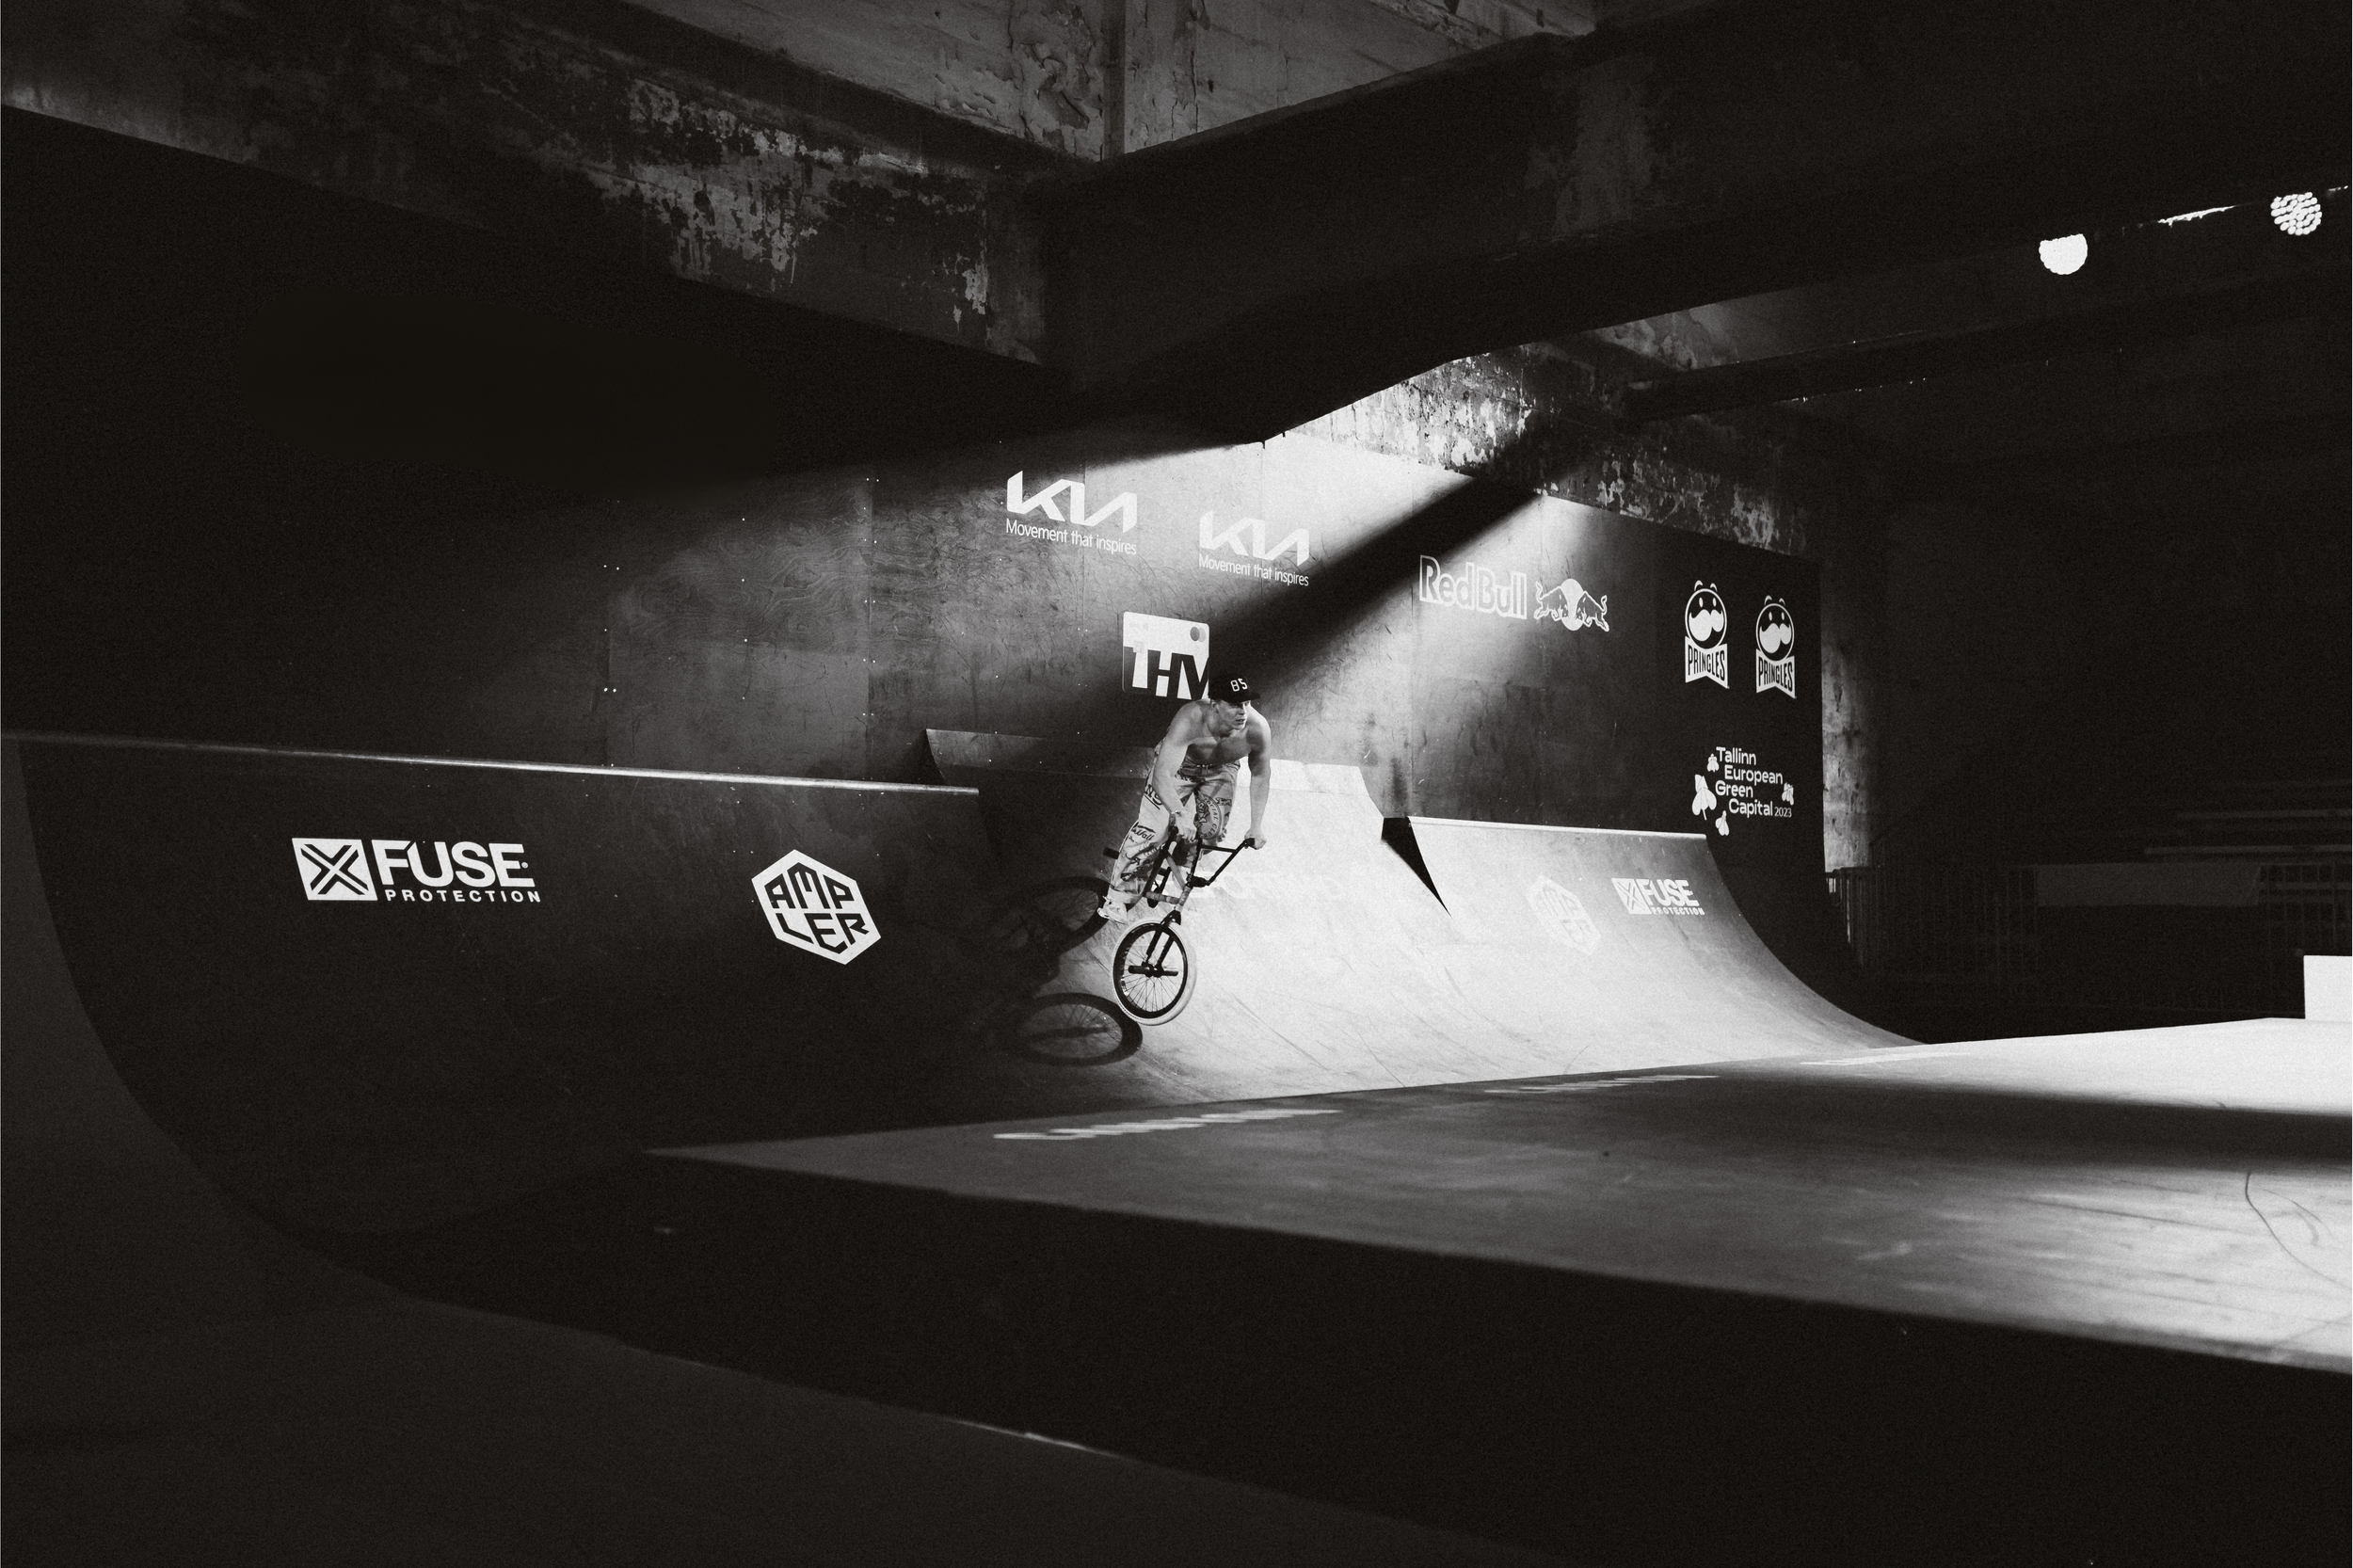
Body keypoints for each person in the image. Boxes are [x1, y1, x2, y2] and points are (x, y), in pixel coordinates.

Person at [1097, 675, 1273, 923]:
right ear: (1214, 704)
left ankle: (1175, 862)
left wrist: (1256, 825)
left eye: (1246, 704)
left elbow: (1261, 775)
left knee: (1211, 833)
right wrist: (1177, 813)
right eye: (1234, 705)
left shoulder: (1258, 729)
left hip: (1221, 769)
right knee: (1154, 829)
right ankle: (1118, 896)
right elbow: (1162, 775)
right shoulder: (1190, 718)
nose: (1242, 711)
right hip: (1181, 766)